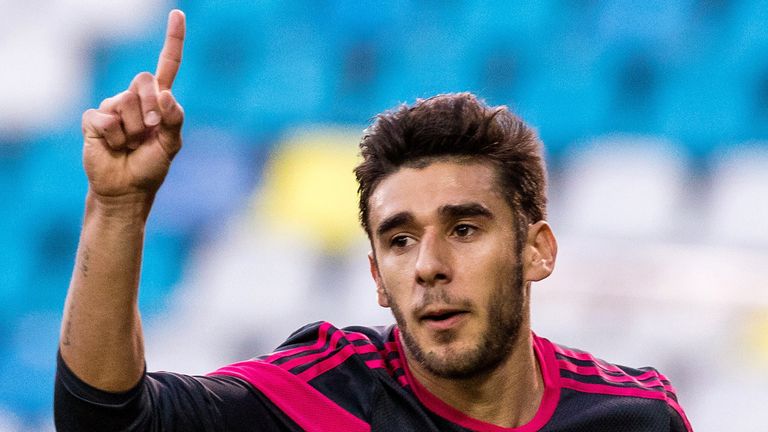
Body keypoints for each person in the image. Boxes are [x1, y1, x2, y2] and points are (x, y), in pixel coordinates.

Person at [54, 9, 692, 432]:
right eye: (400, 239)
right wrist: (118, 207)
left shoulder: (635, 416)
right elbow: (108, 422)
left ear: (537, 251)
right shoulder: (319, 396)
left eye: (464, 229)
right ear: (377, 278)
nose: (429, 266)